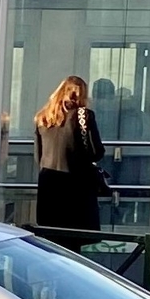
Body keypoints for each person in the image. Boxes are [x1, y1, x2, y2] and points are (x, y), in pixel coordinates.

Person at [32, 75, 107, 235]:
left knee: (52, 241)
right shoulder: (83, 116)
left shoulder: (42, 117)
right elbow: (96, 152)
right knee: (73, 241)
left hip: (49, 188)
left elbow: (38, 156)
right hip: (76, 188)